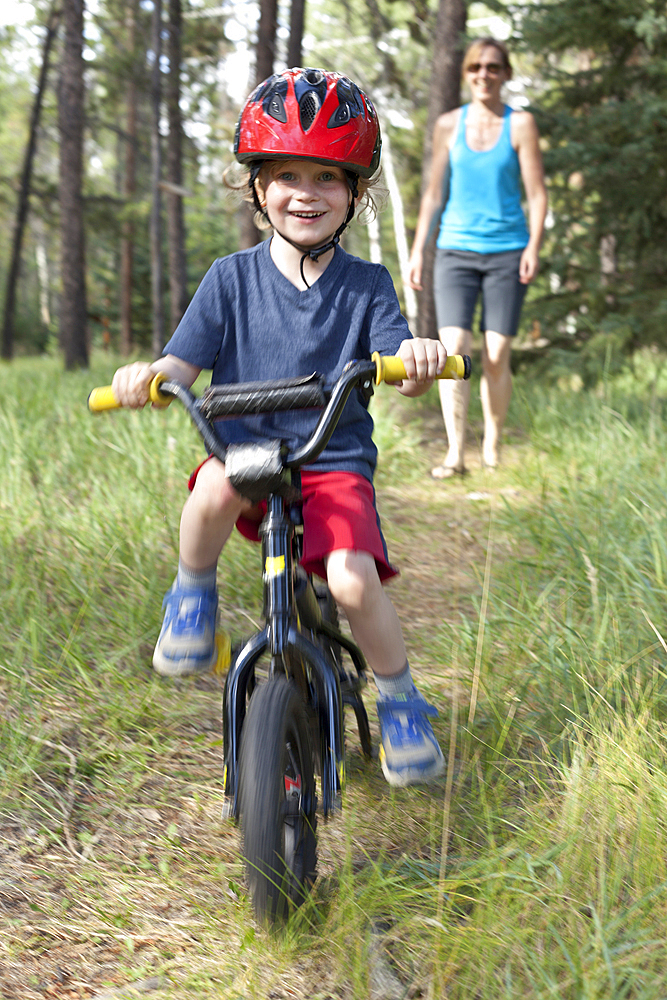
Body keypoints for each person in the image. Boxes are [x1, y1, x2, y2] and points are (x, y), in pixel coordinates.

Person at [111, 68, 446, 787]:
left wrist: (415, 358)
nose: (307, 193)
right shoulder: (228, 279)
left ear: (355, 193)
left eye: (328, 177)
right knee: (211, 490)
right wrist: (148, 376)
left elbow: (398, 362)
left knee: (353, 582)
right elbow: (181, 361)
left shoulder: (367, 286)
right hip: (245, 451)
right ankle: (192, 593)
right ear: (257, 186)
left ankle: (399, 700)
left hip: (332, 462)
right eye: (287, 174)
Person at [408, 37, 547, 476]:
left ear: (505, 73)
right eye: (475, 68)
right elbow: (432, 194)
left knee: (496, 352)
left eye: (492, 67)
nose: (483, 75)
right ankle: (455, 452)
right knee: (455, 347)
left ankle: (492, 440)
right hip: (455, 249)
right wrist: (417, 251)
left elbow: (538, 195)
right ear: (466, 74)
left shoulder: (520, 124)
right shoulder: (449, 125)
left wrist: (534, 246)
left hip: (508, 250)